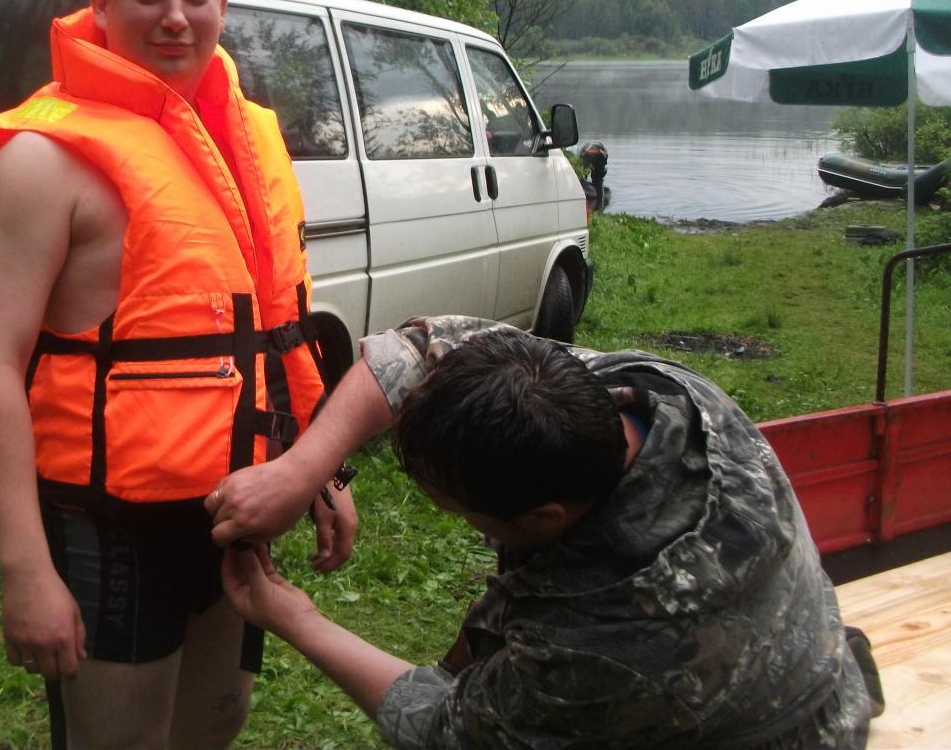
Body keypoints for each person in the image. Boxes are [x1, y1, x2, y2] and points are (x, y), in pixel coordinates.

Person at [0, 0, 354, 750]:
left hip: (230, 505)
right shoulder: (45, 158)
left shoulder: (241, 140)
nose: (175, 15)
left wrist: (316, 469)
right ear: (101, 5)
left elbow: (274, 330)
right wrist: (24, 568)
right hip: (111, 520)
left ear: (222, 3)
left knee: (216, 721)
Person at [212, 318, 874, 748]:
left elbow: (445, 727)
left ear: (545, 518)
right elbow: (417, 347)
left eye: (453, 507)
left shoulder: (609, 640)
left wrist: (296, 618)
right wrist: (306, 468)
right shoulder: (642, 394)